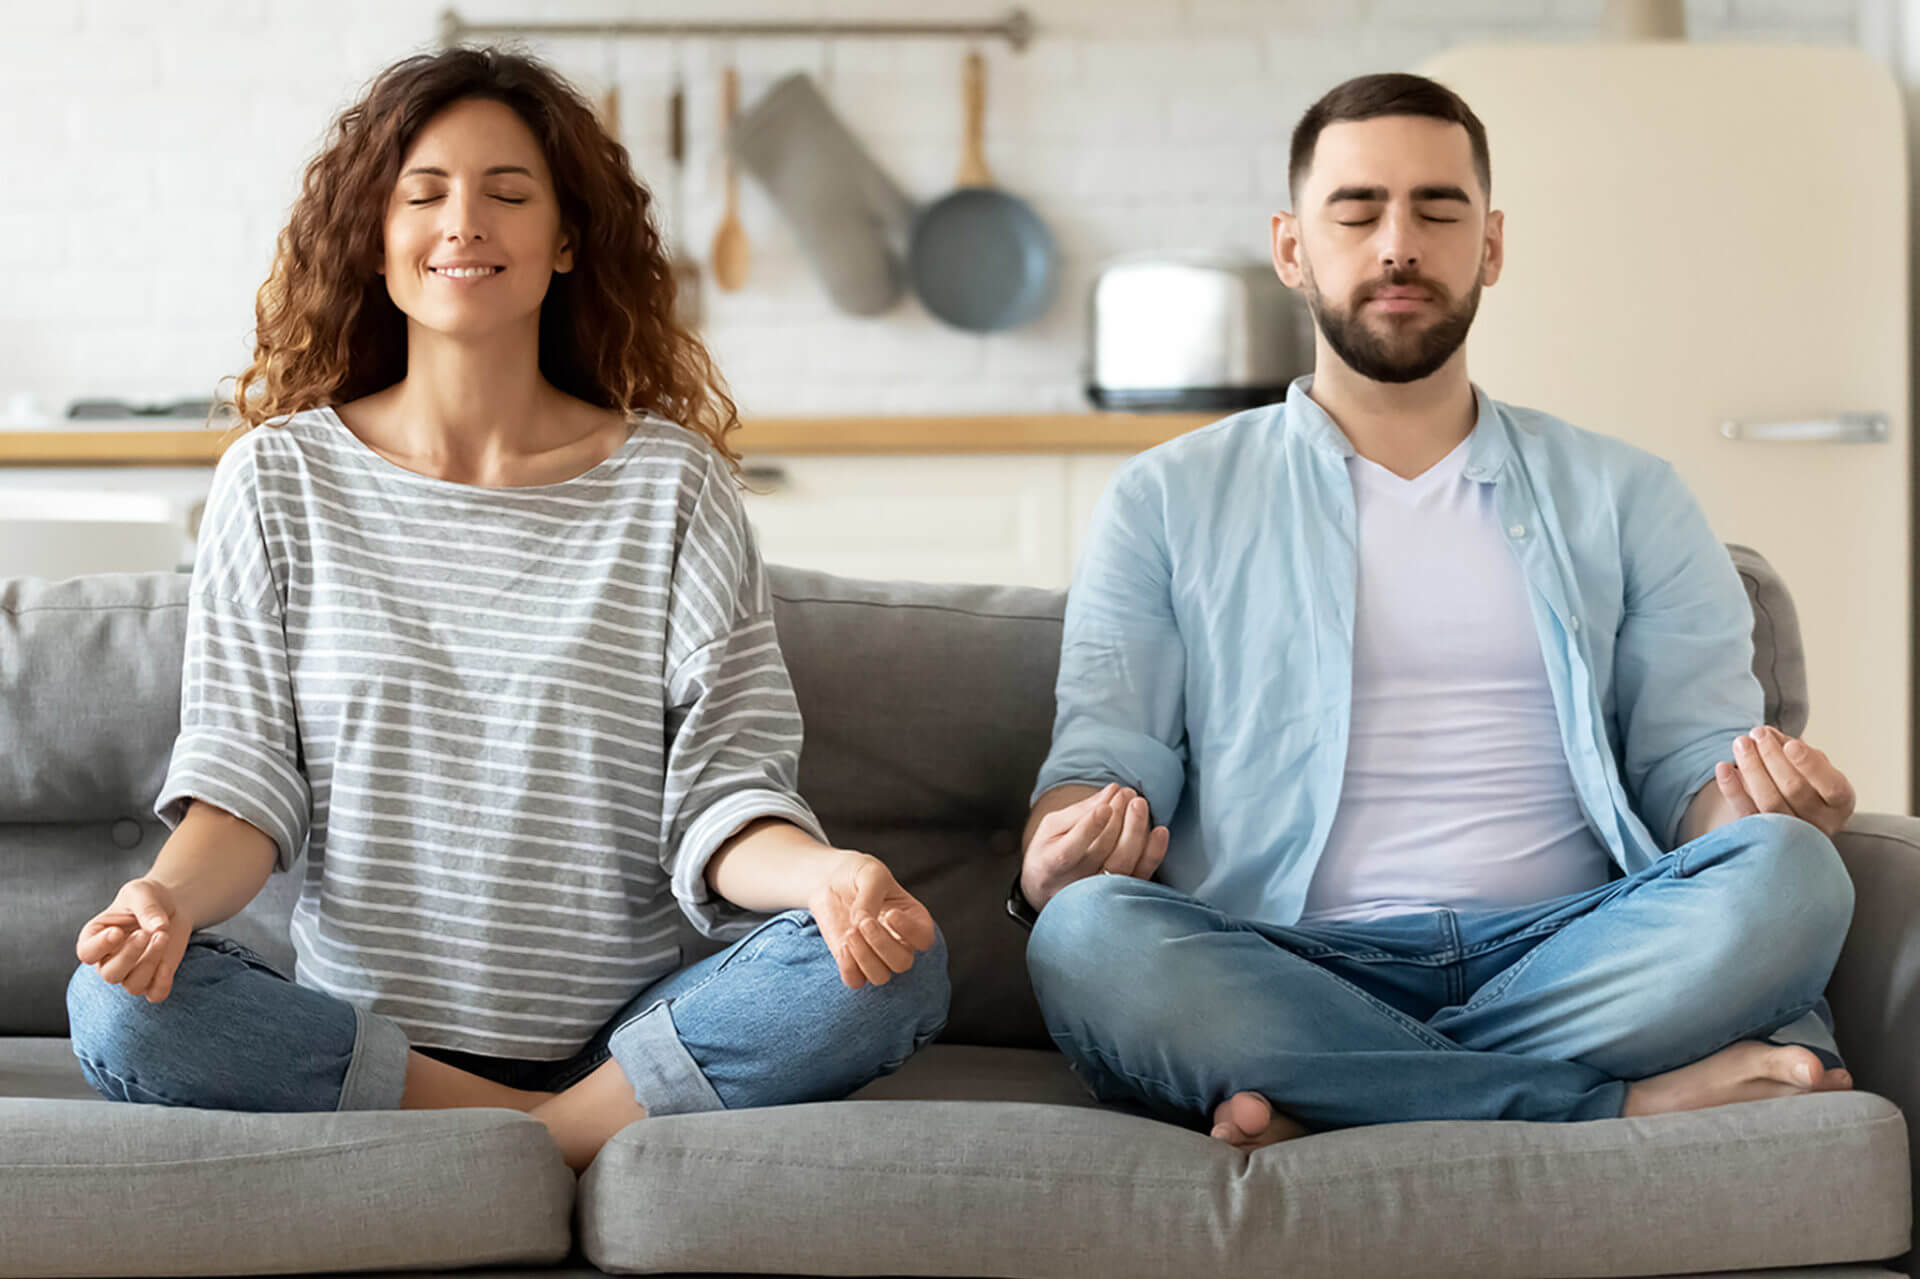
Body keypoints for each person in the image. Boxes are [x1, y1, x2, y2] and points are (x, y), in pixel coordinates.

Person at [65, 46, 948, 1174]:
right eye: (422, 194)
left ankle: (519, 1134)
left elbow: (726, 795)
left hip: (629, 1028)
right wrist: (162, 899)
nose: (463, 223)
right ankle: (557, 1139)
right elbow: (242, 788)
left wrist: (826, 878)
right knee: (120, 1005)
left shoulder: (672, 485)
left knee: (898, 962)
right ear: (374, 239)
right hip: (365, 1033)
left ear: (566, 240)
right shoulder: (277, 478)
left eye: (509, 194)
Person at [1011, 72, 1857, 1153]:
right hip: (1284, 954)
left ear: (1491, 246)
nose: (1397, 243)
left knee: (1793, 876)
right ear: (1291, 247)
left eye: (1438, 210)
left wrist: (1761, 808)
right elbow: (1105, 753)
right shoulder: (1164, 499)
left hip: (1570, 948)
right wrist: (1056, 855)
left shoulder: (1631, 495)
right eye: (1357, 211)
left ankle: (1338, 1090)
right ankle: (1610, 1103)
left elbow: (1688, 769)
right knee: (1087, 936)